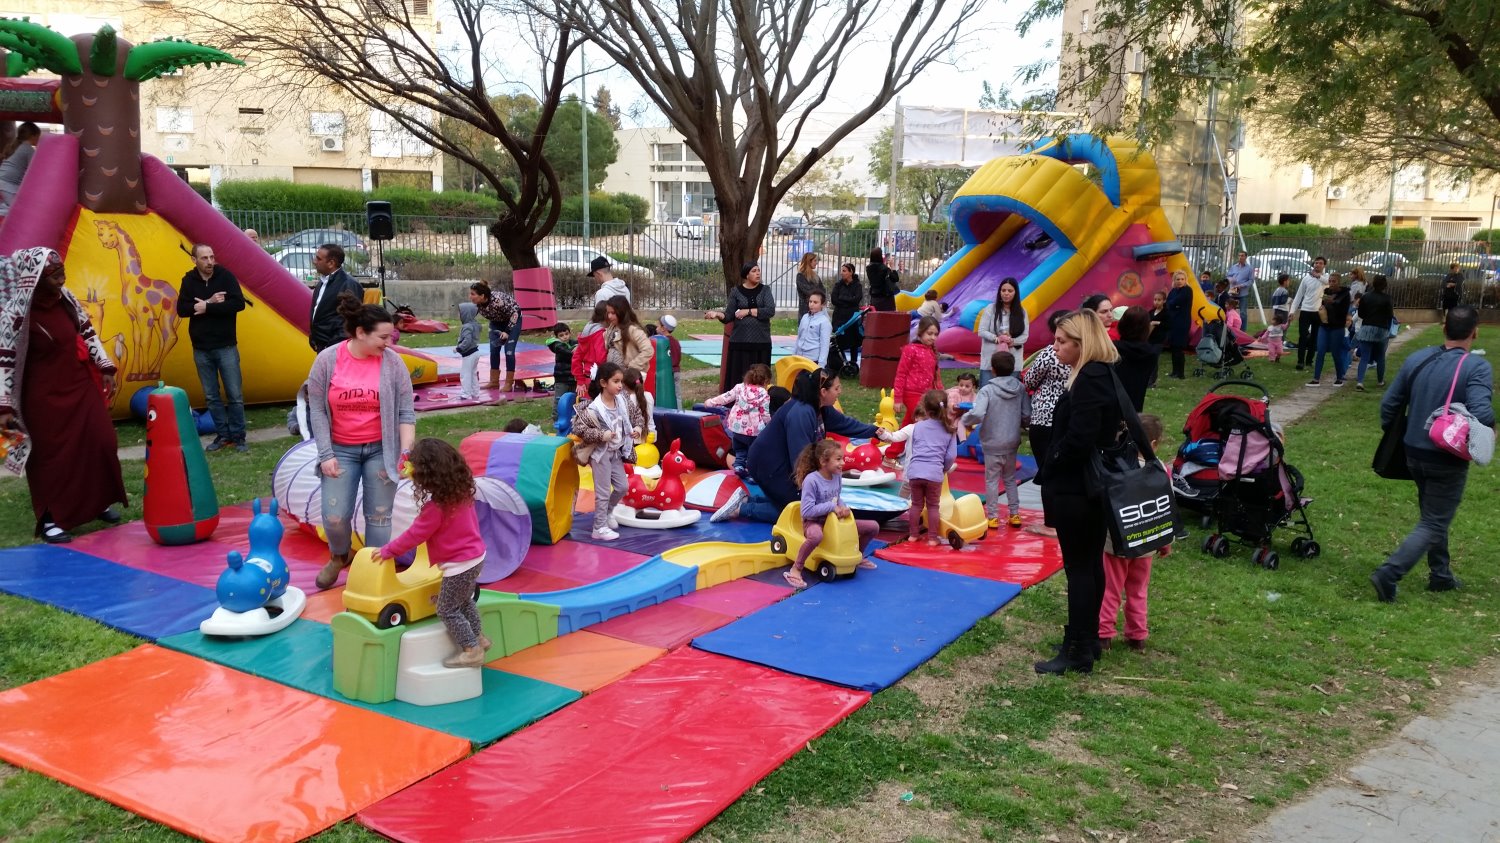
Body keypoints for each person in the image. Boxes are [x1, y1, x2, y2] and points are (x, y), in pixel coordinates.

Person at [0, 248, 126, 543]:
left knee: (101, 440)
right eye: (54, 276)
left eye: (61, 273)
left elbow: (88, 331)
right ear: (36, 279)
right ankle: (50, 518)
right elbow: (4, 360)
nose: (61, 279)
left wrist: (104, 364)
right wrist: (4, 405)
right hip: (42, 395)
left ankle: (97, 501)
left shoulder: (67, 299)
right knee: (52, 457)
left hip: (79, 383)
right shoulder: (14, 315)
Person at [1033, 311, 1134, 676]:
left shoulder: (1090, 377)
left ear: (1082, 343)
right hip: (1089, 485)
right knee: (1090, 564)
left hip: (1077, 486)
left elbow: (1081, 436)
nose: (1056, 346)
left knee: (1080, 568)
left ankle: (1076, 648)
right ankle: (1087, 639)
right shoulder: (1101, 372)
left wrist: (1051, 463)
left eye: (1062, 341)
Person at [1371, 305, 1494, 602]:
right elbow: (1482, 413)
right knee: (1434, 521)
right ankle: (1389, 573)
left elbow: (1389, 407)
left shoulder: (1417, 359)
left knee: (1433, 514)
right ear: (1474, 333)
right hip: (1445, 456)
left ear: (1444, 328)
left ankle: (1440, 575)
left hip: (1412, 452)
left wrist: (1402, 434)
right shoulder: (1476, 367)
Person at [305, 293, 416, 589]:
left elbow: (406, 412)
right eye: (382, 337)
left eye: (390, 336)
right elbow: (315, 407)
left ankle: (375, 575)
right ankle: (339, 556)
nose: (388, 343)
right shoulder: (328, 360)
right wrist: (325, 453)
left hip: (381, 449)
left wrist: (405, 451)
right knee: (334, 516)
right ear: (360, 333)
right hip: (341, 450)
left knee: (379, 517)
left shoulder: (393, 364)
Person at [715, 368, 888, 523]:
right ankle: (742, 509)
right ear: (823, 391)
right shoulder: (801, 413)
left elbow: (845, 424)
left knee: (806, 503)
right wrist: (813, 486)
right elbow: (800, 457)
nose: (839, 392)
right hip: (766, 465)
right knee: (801, 510)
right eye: (836, 388)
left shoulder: (821, 408)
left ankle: (746, 500)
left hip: (779, 461)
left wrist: (874, 431)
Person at [377, 438, 491, 668]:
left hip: (460, 565)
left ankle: (472, 649)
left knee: (447, 609)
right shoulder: (461, 493)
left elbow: (414, 535)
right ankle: (479, 637)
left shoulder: (435, 508)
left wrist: (388, 551)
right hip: (476, 557)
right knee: (465, 601)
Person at [1098, 413, 1168, 652]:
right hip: (1146, 543)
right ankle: (1137, 635)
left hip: (1116, 542)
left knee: (1110, 588)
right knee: (1138, 590)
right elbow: (1165, 510)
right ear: (1154, 444)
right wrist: (1164, 541)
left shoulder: (1115, 468)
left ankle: (1104, 633)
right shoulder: (1160, 471)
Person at [176, 243, 248, 452]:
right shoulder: (189, 280)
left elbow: (238, 304)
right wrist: (207, 301)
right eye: (204, 258)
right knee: (211, 395)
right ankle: (223, 435)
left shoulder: (225, 276)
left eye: (212, 257)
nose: (210, 262)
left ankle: (239, 436)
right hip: (201, 347)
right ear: (194, 260)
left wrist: (207, 306)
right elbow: (182, 309)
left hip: (225, 346)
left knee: (234, 394)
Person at [784, 439, 880, 588]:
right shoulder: (812, 481)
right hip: (814, 521)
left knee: (872, 527)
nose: (843, 463)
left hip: (834, 522)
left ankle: (856, 557)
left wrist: (843, 507)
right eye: (838, 459)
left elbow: (837, 497)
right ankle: (796, 569)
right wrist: (832, 507)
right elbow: (807, 511)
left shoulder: (837, 475)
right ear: (823, 461)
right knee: (816, 536)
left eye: (842, 458)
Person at [571, 362, 644, 541]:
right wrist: (601, 435)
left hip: (616, 453)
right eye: (616, 381)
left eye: (621, 381)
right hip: (600, 454)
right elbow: (579, 429)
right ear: (604, 383)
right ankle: (599, 527)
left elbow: (637, 416)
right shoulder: (593, 409)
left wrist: (637, 428)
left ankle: (608, 513)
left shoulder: (623, 400)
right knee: (603, 492)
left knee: (622, 487)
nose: (620, 385)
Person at [963, 352, 1031, 529]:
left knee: (992, 479)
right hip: (1011, 441)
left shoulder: (988, 390)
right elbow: (1026, 414)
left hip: (992, 442)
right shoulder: (1019, 389)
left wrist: (964, 421)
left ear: (992, 369)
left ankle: (993, 517)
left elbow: (978, 413)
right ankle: (1015, 514)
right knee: (1010, 478)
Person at [884, 390, 957, 547]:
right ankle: (932, 538)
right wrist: (943, 468)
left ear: (927, 410)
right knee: (932, 506)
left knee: (916, 504)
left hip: (915, 472)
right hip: (934, 474)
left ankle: (913, 535)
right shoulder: (949, 430)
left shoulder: (917, 427)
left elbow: (916, 448)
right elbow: (951, 456)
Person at [705, 262, 775, 391]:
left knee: (759, 376)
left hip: (760, 341)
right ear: (746, 274)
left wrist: (748, 311)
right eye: (754, 271)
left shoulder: (765, 290)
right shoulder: (736, 292)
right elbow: (729, 316)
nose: (758, 273)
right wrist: (716, 314)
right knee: (739, 376)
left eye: (758, 270)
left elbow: (770, 311)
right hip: (740, 342)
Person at [1023, 309, 1075, 474]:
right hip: (1070, 418)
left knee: (1047, 470)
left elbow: (1029, 381)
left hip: (1045, 416)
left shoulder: (1049, 353)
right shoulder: (1086, 356)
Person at [886, 315, 944, 462]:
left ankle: (892, 453)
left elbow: (936, 375)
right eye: (929, 333)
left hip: (926, 395)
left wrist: (941, 393)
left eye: (936, 334)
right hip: (911, 393)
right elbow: (901, 373)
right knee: (925, 420)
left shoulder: (932, 352)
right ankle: (924, 455)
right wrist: (898, 398)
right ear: (920, 333)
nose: (933, 337)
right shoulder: (911, 350)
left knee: (909, 422)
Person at [703, 362, 773, 474]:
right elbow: (764, 413)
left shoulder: (740, 388)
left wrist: (710, 402)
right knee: (752, 452)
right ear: (765, 381)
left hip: (737, 428)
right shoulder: (764, 394)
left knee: (740, 449)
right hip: (754, 431)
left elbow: (725, 398)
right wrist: (770, 425)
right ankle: (751, 472)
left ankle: (739, 466)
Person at [468, 281, 532, 395]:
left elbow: (515, 313)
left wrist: (507, 331)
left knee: (509, 352)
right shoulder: (477, 305)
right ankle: (494, 381)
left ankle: (508, 383)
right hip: (496, 323)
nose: (470, 297)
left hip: (513, 320)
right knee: (494, 350)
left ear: (482, 296)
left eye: (473, 294)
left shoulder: (498, 301)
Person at [308, 244, 365, 352]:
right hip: (322, 345)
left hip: (336, 347)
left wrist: (333, 345)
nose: (314, 261)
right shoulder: (323, 282)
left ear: (331, 263)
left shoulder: (348, 284)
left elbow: (351, 318)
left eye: (318, 259)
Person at [977, 277, 1028, 384]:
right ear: (999, 292)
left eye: (1010, 291)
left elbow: (1025, 336)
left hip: (1012, 360)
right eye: (1003, 290)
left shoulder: (1021, 312)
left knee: (1010, 394)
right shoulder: (990, 309)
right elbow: (981, 330)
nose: (1006, 293)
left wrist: (1012, 341)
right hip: (991, 360)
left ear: (1015, 293)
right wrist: (997, 339)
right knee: (987, 392)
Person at [1307, 271, 1351, 387]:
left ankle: (1339, 377)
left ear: (1339, 282)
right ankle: (1316, 379)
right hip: (1325, 325)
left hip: (1337, 327)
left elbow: (1344, 310)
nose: (1331, 283)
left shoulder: (1345, 294)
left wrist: (1334, 303)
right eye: (1330, 281)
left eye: (1334, 281)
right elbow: (1324, 306)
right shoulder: (1327, 292)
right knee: (1320, 351)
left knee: (1335, 352)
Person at [1353, 275, 1395, 391]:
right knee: (1380, 356)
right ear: (1385, 285)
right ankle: (1380, 381)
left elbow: (1360, 314)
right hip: (1381, 329)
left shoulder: (1366, 297)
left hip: (1367, 328)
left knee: (1365, 357)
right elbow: (1390, 315)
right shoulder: (1387, 298)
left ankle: (1360, 381)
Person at [1112, 305, 1157, 411]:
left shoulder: (1112, 349)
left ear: (1122, 324)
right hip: (1134, 406)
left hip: (1111, 404)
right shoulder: (1151, 353)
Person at [1288, 257, 1328, 370]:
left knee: (1314, 337)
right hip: (1306, 310)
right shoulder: (1306, 278)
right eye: (1316, 263)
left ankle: (1309, 360)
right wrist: (1292, 311)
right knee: (1303, 336)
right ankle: (1300, 361)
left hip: (1317, 312)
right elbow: (1299, 296)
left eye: (1320, 263)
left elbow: (1328, 283)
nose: (1317, 265)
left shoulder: (1326, 277)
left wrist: (1318, 276)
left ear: (1324, 265)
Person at [829, 263, 864, 369]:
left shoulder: (857, 285)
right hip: (839, 317)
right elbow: (834, 299)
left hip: (852, 317)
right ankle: (843, 362)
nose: (842, 273)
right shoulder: (838, 285)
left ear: (851, 272)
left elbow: (856, 299)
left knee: (854, 340)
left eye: (844, 271)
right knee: (839, 340)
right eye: (842, 270)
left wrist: (843, 298)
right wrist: (848, 301)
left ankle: (853, 362)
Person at [0, 122, 40, 214]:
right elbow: (35, 170)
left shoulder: (15, 146)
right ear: (33, 136)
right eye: (38, 137)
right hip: (8, 185)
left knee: (15, 205)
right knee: (17, 210)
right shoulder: (28, 149)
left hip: (3, 181)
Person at [572, 301, 609, 398]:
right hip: (599, 378)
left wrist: (580, 380)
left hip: (587, 378)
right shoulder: (600, 333)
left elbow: (576, 357)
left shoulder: (587, 330)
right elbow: (601, 358)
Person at [1165, 269, 1194, 379]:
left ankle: (1180, 373)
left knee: (1178, 348)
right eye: (1178, 279)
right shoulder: (1173, 291)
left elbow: (1174, 302)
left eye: (1182, 279)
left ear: (1185, 280)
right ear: (1174, 280)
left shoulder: (1187, 290)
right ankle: (1174, 371)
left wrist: (1173, 305)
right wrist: (1172, 305)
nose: (1180, 281)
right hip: (1173, 322)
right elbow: (1168, 303)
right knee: (1173, 347)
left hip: (1182, 323)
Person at [453, 301, 484, 401]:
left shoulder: (467, 326)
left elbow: (467, 340)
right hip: (475, 352)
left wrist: (459, 348)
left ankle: (465, 394)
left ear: (466, 314)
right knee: (473, 373)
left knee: (465, 374)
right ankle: (475, 392)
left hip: (469, 354)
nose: (459, 315)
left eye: (460, 313)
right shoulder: (475, 324)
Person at [794, 290, 832, 367]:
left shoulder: (824, 322)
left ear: (823, 305)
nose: (811, 304)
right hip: (799, 357)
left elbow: (825, 345)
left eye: (815, 302)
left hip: (813, 360)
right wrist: (794, 354)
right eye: (810, 301)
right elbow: (799, 337)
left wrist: (821, 364)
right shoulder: (805, 317)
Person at [547, 322, 577, 402]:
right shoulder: (557, 345)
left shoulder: (572, 343)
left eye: (566, 334)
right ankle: (555, 415)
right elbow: (568, 352)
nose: (565, 337)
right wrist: (578, 349)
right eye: (561, 335)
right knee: (559, 400)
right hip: (562, 378)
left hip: (573, 377)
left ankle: (571, 414)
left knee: (573, 399)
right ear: (556, 337)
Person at [1147, 290, 1168, 387]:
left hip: (1158, 340)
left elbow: (1169, 325)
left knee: (1154, 359)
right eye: (1155, 300)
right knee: (1148, 359)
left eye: (1159, 300)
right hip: (1149, 339)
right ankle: (1147, 379)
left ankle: (1152, 381)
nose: (1156, 302)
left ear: (1164, 301)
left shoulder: (1166, 313)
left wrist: (1157, 323)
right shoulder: (1151, 312)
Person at [1226, 251, 1254, 326]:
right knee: (1230, 311)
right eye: (1239, 255)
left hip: (1242, 293)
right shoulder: (1233, 267)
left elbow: (1251, 281)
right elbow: (1228, 276)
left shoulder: (1249, 268)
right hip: (1232, 292)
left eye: (1242, 256)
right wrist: (1231, 279)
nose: (1240, 257)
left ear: (1245, 257)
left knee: (1243, 313)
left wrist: (1242, 285)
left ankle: (1242, 331)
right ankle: (1231, 327)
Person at [794, 251, 825, 319]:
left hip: (817, 309)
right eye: (814, 261)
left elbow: (823, 289)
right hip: (805, 309)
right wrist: (819, 292)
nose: (816, 263)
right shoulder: (800, 276)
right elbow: (809, 291)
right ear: (809, 261)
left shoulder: (815, 275)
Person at [658, 314, 682, 399]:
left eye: (658, 325)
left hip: (667, 373)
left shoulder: (662, 342)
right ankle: (679, 410)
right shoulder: (676, 341)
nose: (656, 327)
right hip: (676, 371)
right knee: (677, 395)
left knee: (666, 395)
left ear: (663, 328)